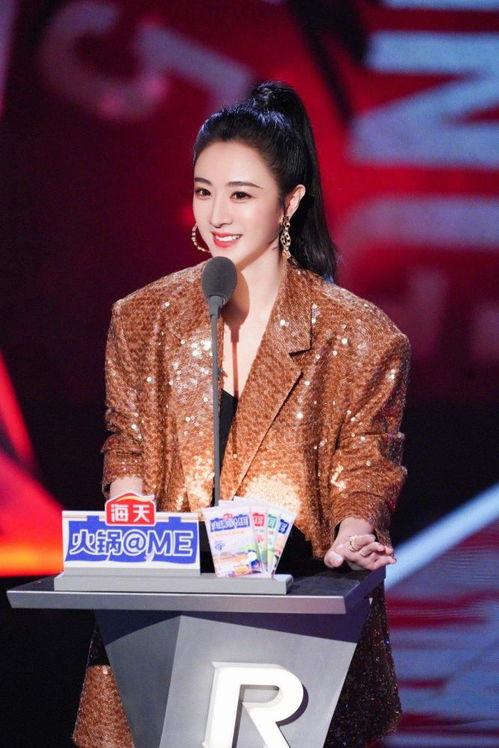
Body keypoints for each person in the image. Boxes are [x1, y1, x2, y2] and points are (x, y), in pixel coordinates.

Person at [73, 80, 410, 748]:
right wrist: (128, 510)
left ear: (290, 202)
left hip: (294, 637)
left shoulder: (361, 336)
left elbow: (366, 469)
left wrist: (354, 534)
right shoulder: (143, 320)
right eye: (204, 191)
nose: (217, 215)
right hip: (159, 633)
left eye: (241, 195)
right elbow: (127, 447)